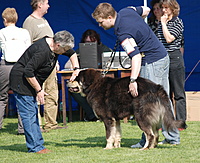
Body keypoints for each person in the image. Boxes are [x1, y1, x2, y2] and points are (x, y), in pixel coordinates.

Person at [92, 2, 180, 148]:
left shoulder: (123, 33)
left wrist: (133, 80)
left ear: (109, 17)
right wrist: (141, 28)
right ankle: (172, 137)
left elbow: (136, 57)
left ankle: (149, 139)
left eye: (101, 22)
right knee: (163, 98)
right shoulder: (127, 11)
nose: (100, 25)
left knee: (147, 102)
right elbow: (146, 10)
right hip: (162, 55)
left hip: (151, 60)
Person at [9, 30, 80, 153]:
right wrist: (39, 90)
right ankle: (35, 147)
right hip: (22, 81)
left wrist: (76, 69)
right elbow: (28, 72)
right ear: (58, 45)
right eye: (63, 50)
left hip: (30, 79)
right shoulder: (43, 51)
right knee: (29, 114)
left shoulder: (57, 44)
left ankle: (38, 144)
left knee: (33, 113)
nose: (64, 52)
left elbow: (72, 53)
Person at [23, 0, 63, 132]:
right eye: (46, 3)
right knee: (38, 93)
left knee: (52, 92)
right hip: (38, 64)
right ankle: (37, 125)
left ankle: (51, 123)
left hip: (50, 62)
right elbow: (27, 44)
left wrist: (56, 61)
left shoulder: (44, 20)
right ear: (39, 4)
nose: (48, 5)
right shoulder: (29, 22)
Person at [65, 29, 112, 121]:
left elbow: (112, 63)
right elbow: (67, 65)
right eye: (87, 42)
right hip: (85, 83)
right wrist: (75, 65)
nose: (89, 44)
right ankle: (92, 115)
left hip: (100, 81)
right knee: (73, 90)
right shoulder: (79, 51)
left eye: (92, 42)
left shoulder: (104, 49)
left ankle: (105, 113)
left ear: (97, 40)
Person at [0, 8, 31, 130]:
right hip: (21, 66)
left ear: (5, 19)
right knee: (22, 97)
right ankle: (22, 128)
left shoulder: (1, 32)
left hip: (6, 65)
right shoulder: (24, 32)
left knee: (1, 97)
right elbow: (29, 50)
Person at [158, 0, 187, 128]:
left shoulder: (178, 22)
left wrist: (164, 24)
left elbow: (169, 39)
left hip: (174, 57)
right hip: (162, 58)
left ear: (173, 9)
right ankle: (168, 122)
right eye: (162, 8)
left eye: (166, 8)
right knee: (166, 93)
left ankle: (181, 123)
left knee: (178, 93)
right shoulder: (160, 24)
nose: (164, 10)